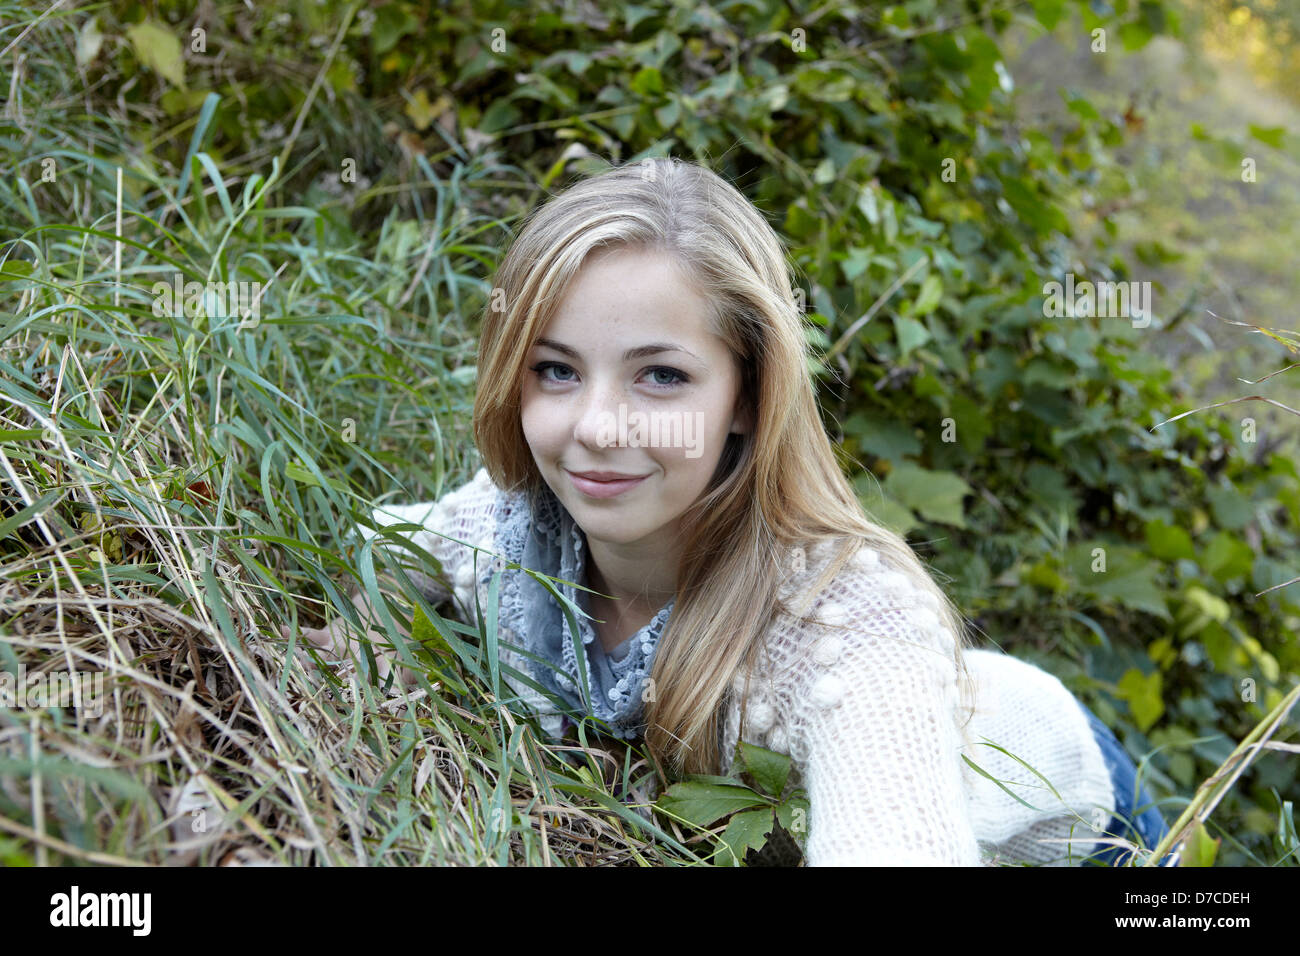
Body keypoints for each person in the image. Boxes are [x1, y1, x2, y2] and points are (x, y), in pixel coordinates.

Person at [285, 157, 1181, 867]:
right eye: (555, 369)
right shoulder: (509, 529)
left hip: (1078, 824)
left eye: (661, 375)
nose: (597, 427)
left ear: (750, 395)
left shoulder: (845, 623)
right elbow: (363, 553)